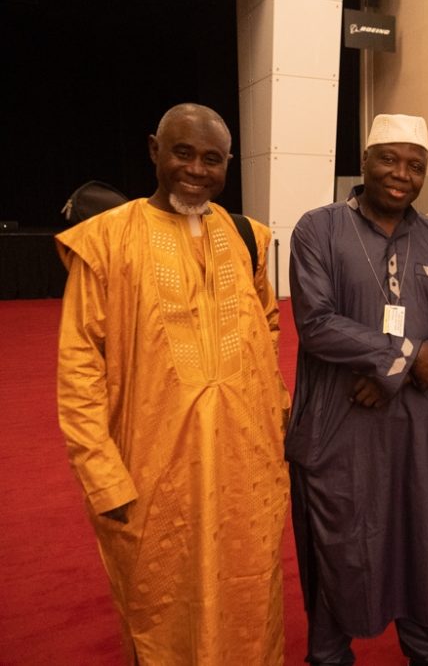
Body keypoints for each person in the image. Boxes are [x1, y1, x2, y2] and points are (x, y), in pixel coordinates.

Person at [55, 103, 290, 664]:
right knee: (160, 606)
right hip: (151, 472)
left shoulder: (248, 237)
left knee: (250, 595)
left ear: (228, 164)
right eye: (183, 153)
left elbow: (267, 325)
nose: (196, 170)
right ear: (154, 150)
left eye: (212, 159)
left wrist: (275, 413)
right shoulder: (107, 239)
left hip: (247, 472)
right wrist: (103, 477)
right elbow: (79, 369)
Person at [285, 114, 428, 666]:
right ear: (364, 161)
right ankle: (329, 654)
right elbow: (317, 323)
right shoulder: (318, 229)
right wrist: (408, 357)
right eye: (388, 159)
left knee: (420, 538)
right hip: (339, 423)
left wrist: (394, 375)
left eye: (415, 165)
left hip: (419, 429)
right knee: (339, 541)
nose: (401, 174)